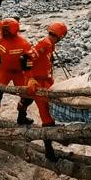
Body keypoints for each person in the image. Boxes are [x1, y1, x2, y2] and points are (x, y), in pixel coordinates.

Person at [26, 21, 68, 161]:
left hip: (45, 80)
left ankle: (22, 114)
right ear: (60, 36)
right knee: (46, 115)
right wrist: (31, 79)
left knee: (45, 108)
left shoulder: (49, 44)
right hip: (39, 83)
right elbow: (25, 59)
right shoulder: (45, 44)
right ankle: (49, 150)